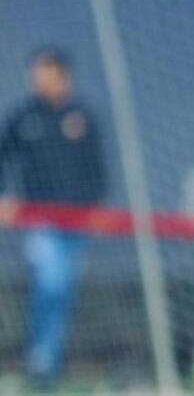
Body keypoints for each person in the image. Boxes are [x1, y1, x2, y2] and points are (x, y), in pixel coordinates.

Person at [0, 48, 107, 390]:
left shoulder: (82, 116)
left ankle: (48, 360)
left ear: (62, 75)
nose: (37, 80)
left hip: (76, 221)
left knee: (62, 291)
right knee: (49, 282)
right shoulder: (24, 117)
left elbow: (97, 168)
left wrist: (94, 207)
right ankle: (41, 360)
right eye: (35, 73)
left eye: (44, 73)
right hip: (40, 219)